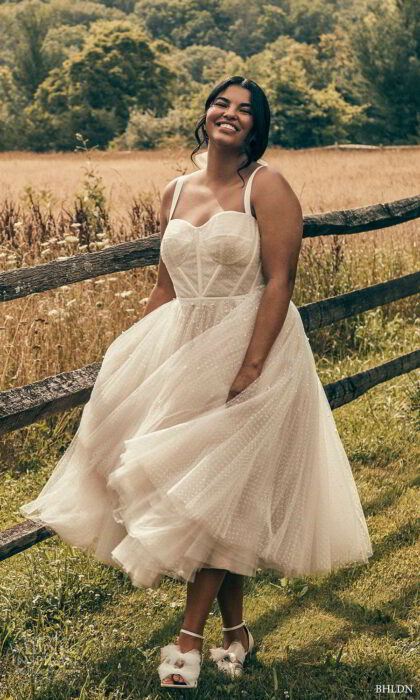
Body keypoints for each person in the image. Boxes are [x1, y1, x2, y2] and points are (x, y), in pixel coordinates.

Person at [20, 76, 373, 689]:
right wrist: (131, 358)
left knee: (216, 489)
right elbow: (166, 285)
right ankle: (237, 630)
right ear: (206, 115)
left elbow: (280, 282)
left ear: (256, 127)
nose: (230, 115)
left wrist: (251, 365)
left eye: (244, 110)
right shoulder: (175, 190)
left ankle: (188, 638)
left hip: (251, 342)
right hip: (184, 345)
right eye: (221, 104)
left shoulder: (267, 186)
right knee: (212, 489)